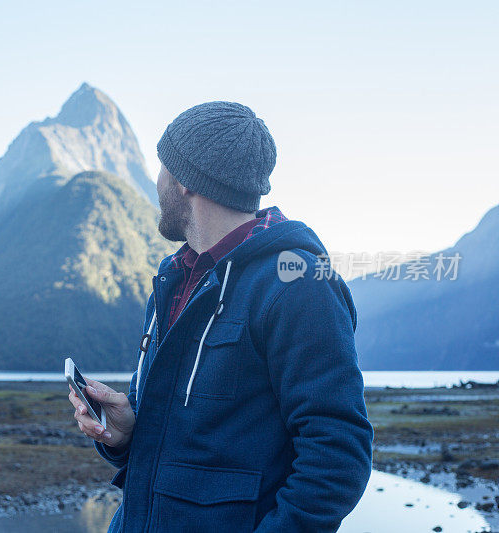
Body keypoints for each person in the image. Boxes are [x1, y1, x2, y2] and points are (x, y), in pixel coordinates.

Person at [67, 101, 374, 532]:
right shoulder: (173, 280)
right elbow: (188, 440)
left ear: (185, 181)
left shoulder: (298, 285)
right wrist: (122, 435)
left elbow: (339, 456)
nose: (155, 182)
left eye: (161, 167)